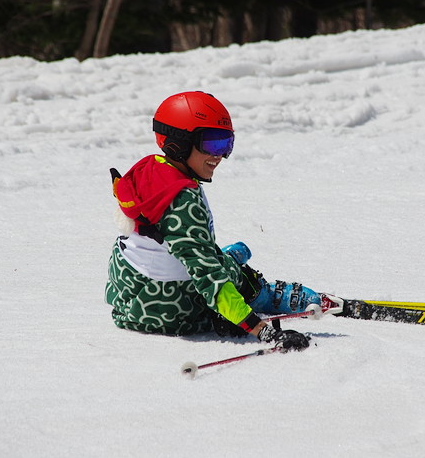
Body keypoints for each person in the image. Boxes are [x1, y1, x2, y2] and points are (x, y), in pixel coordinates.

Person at [104, 91, 342, 351]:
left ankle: (228, 267)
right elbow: (208, 276)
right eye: (213, 145)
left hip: (128, 301)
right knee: (222, 269)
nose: (220, 156)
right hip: (170, 313)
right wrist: (258, 329)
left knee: (216, 254)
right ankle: (258, 293)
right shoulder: (183, 199)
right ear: (180, 142)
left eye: (226, 144)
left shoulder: (149, 168)